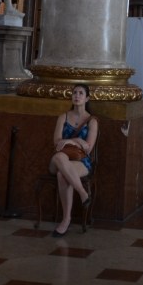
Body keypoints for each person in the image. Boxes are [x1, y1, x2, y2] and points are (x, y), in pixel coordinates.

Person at [50, 83, 98, 236]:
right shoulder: (63, 117)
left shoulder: (92, 121)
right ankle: (82, 193)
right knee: (59, 156)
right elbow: (57, 143)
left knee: (62, 175)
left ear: (87, 98)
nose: (77, 96)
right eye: (74, 93)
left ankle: (66, 220)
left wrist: (71, 140)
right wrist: (76, 141)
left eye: (81, 93)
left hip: (81, 161)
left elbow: (88, 148)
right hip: (59, 159)